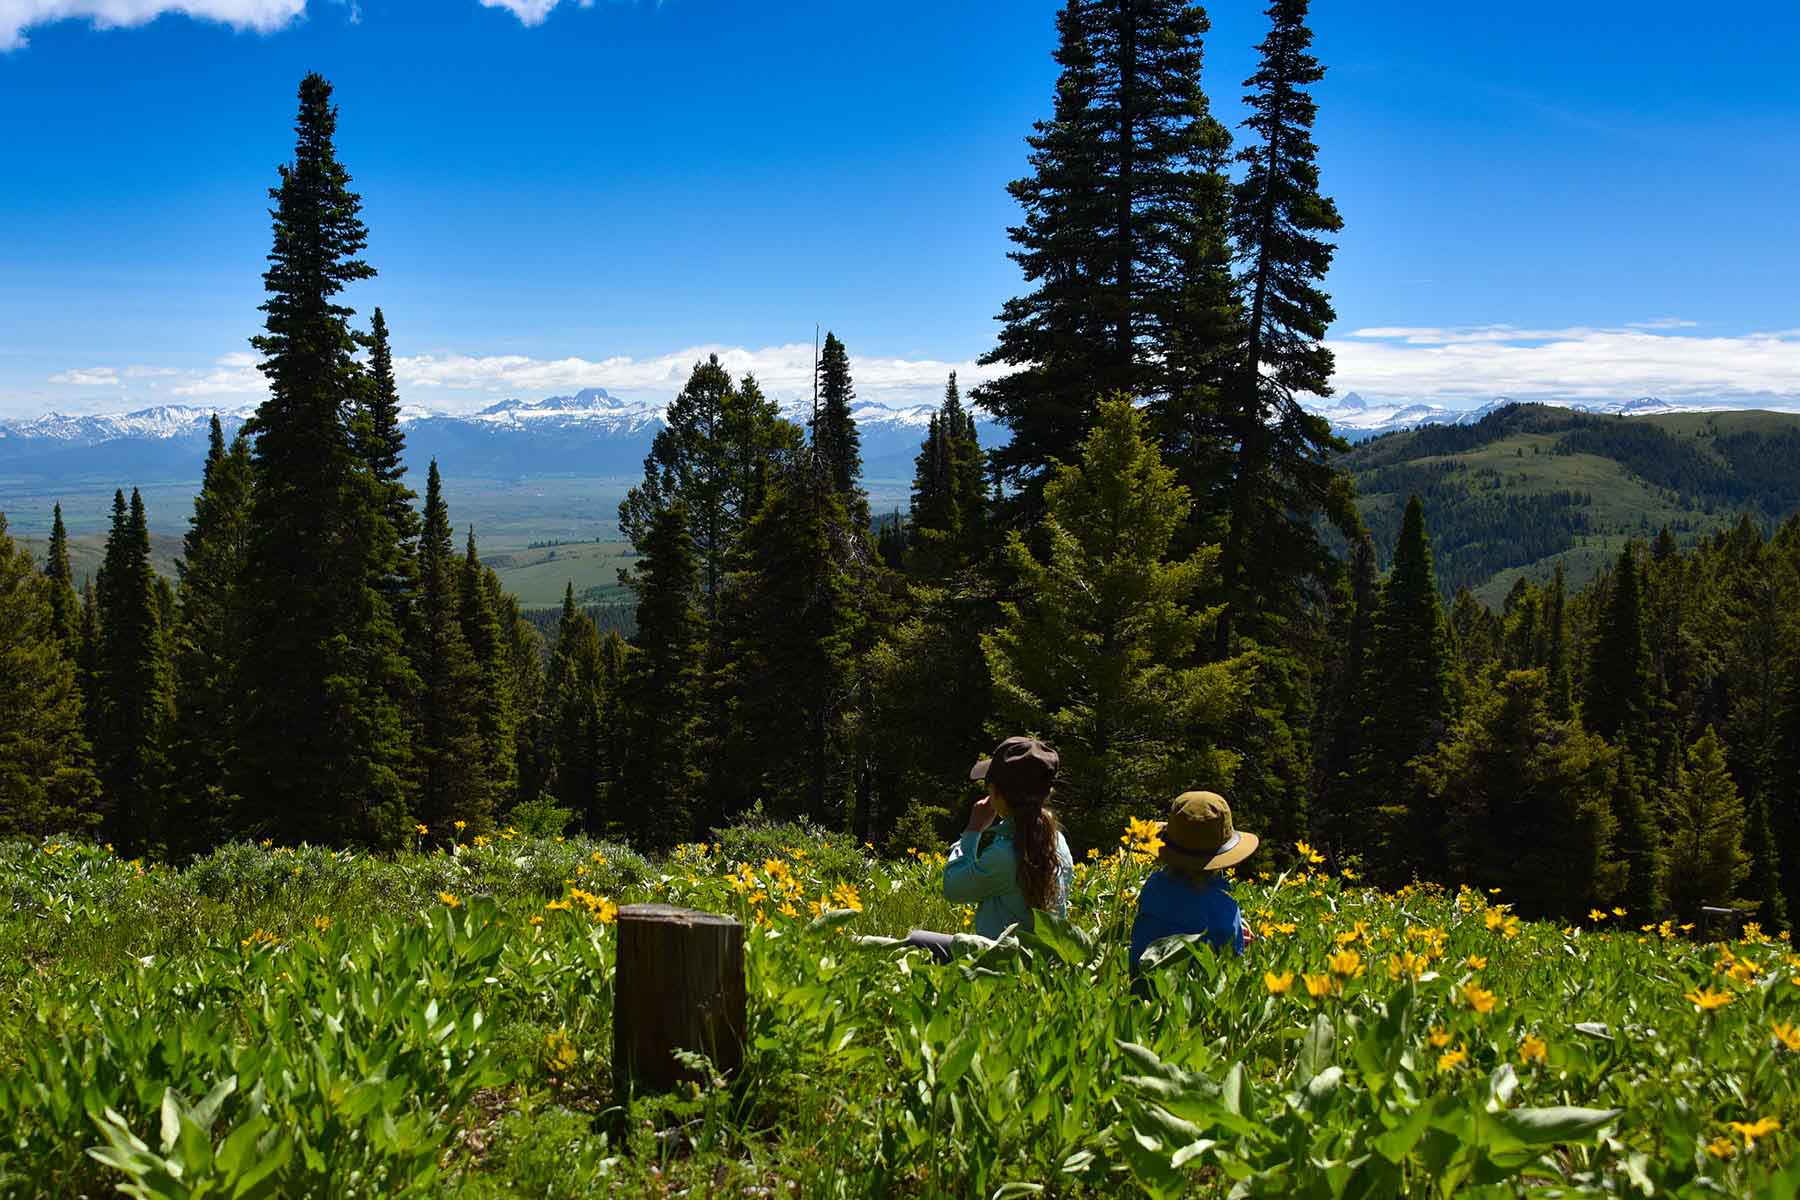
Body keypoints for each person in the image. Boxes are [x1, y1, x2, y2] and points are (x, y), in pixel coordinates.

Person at [905, 736, 1075, 961]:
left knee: (913, 944)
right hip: (1041, 962)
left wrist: (973, 830)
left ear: (998, 794)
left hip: (1003, 961)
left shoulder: (1006, 854)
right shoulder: (1056, 840)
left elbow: (953, 888)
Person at [1128, 791, 1258, 973]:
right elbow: (1232, 968)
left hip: (1142, 991)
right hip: (1193, 997)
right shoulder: (1224, 908)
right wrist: (1236, 936)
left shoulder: (1153, 886)